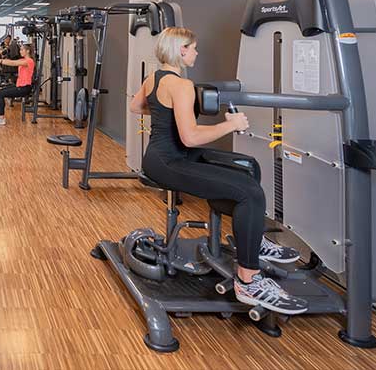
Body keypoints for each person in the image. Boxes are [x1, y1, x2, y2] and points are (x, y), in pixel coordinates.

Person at [128, 27, 307, 315]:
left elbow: (136, 106)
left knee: (247, 167)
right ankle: (248, 281)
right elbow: (190, 138)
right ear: (182, 50)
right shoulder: (182, 85)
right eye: (193, 48)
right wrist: (230, 125)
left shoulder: (154, 77)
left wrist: (168, 113)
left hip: (164, 155)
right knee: (250, 193)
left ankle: (252, 240)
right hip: (169, 161)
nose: (197, 53)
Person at [0, 43, 35, 126]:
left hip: (24, 88)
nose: (20, 51)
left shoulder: (29, 61)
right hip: (19, 86)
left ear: (27, 51)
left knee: (0, 94)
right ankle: (0, 114)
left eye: (22, 50)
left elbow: (13, 63)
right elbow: (12, 61)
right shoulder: (23, 60)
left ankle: (1, 118)